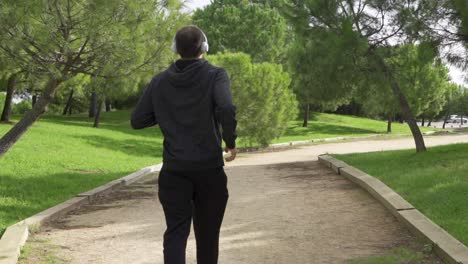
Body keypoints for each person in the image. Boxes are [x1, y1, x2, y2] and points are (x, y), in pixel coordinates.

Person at [130, 25, 237, 264]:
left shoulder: (159, 81)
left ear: (175, 49)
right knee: (208, 235)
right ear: (204, 47)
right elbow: (226, 108)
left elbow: (138, 120)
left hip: (174, 171)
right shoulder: (216, 75)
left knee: (176, 233)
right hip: (209, 170)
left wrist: (168, 111)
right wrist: (230, 142)